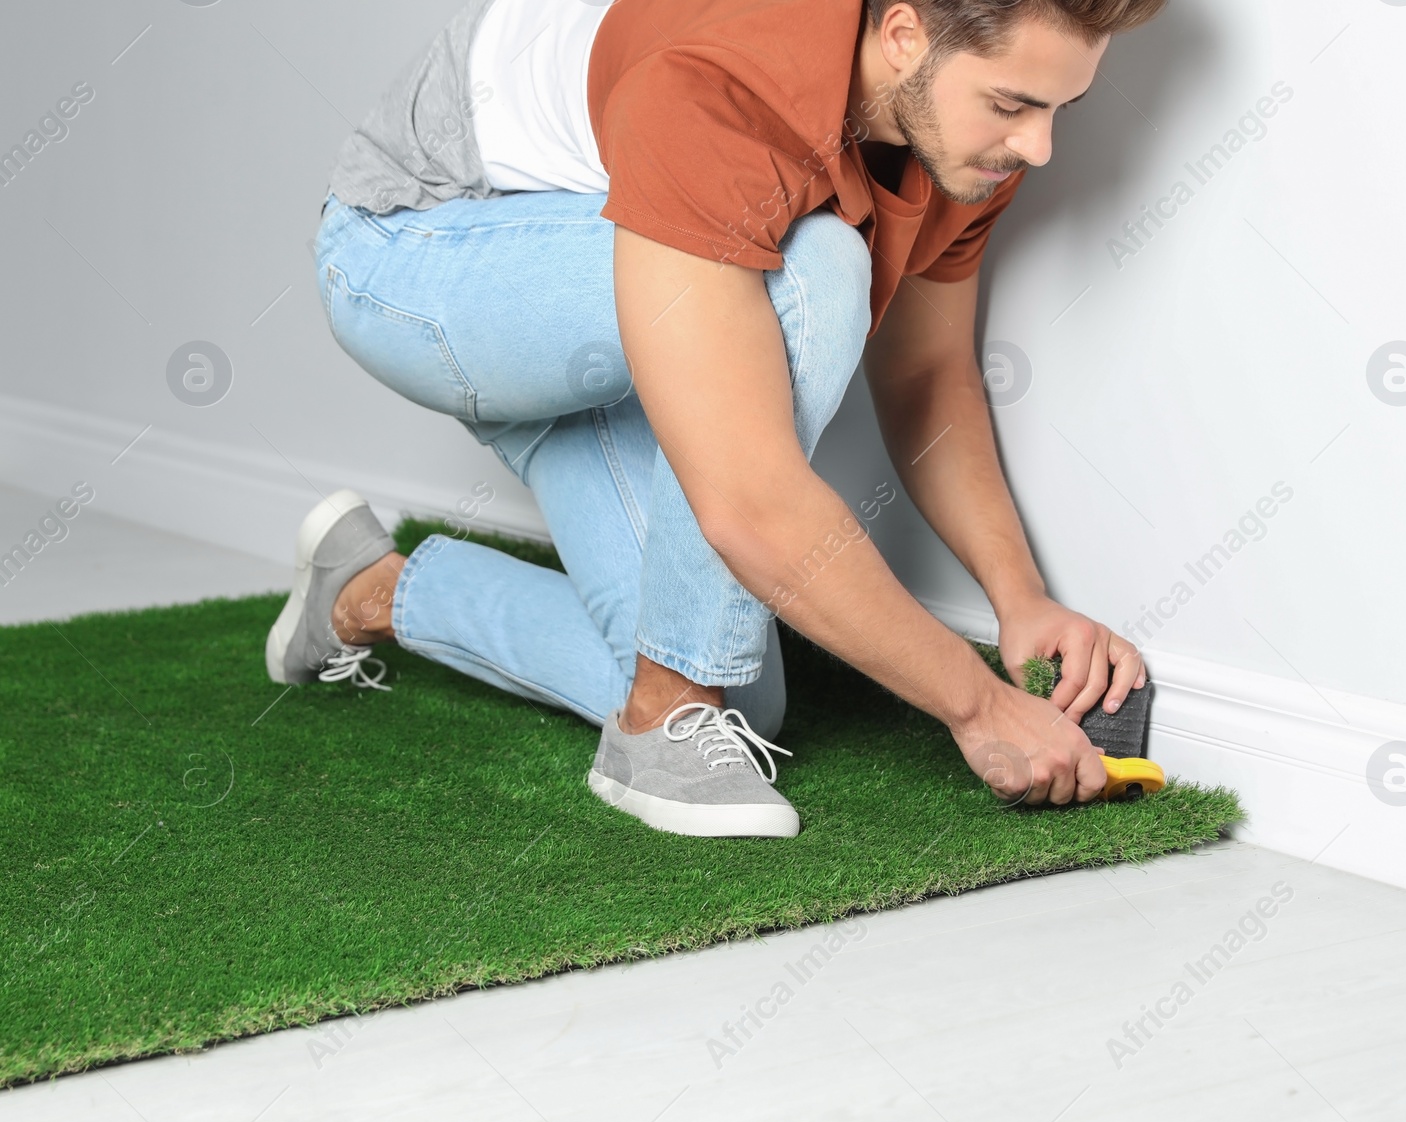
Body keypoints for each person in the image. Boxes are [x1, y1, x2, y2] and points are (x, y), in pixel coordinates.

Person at [268, 0, 1162, 839]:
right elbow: (747, 503)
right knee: (817, 265)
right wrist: (978, 705)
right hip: (410, 253)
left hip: (618, 307)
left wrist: (1020, 597)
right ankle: (657, 729)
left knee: (734, 705)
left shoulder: (966, 136)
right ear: (902, 35)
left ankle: (364, 588)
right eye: (1013, 103)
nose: (1039, 146)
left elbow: (927, 372)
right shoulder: (724, 80)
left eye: (1060, 107)